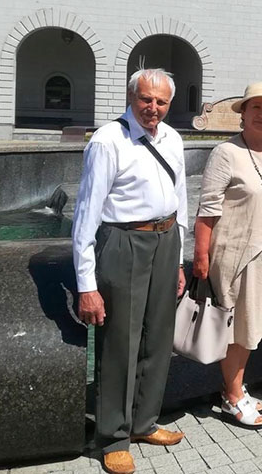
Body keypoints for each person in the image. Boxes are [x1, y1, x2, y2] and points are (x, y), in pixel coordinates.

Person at [73, 68, 187, 474]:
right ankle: (113, 437)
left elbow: (180, 198)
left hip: (165, 240)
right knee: (120, 342)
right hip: (123, 242)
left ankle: (143, 422)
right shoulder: (107, 141)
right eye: (146, 99)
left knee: (158, 337)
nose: (152, 108)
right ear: (131, 97)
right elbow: (85, 217)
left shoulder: (172, 137)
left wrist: (176, 258)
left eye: (160, 102)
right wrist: (87, 284)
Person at [193, 82, 262, 430]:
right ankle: (232, 395)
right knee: (236, 327)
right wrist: (200, 256)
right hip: (235, 253)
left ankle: (237, 386)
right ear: (244, 111)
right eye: (257, 108)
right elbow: (206, 210)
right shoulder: (225, 152)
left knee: (252, 325)